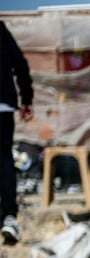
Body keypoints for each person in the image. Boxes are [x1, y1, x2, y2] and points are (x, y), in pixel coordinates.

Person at [1, 21, 33, 245]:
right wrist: (27, 99)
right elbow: (20, 63)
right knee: (4, 159)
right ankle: (9, 217)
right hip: (3, 106)